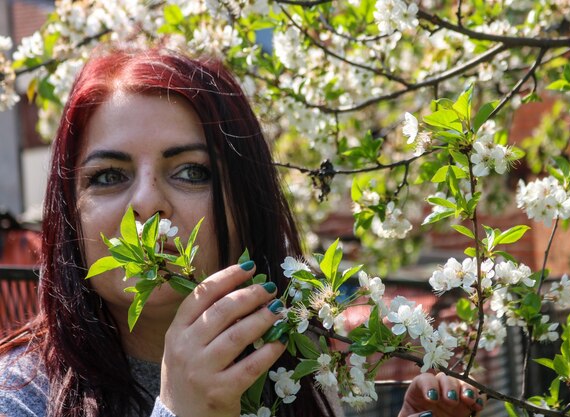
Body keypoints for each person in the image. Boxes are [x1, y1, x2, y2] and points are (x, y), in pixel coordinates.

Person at [0, 48, 486, 417]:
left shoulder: (297, 367)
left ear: (244, 202)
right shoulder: (19, 399)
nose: (147, 202)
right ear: (70, 212)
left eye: (191, 171)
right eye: (108, 176)